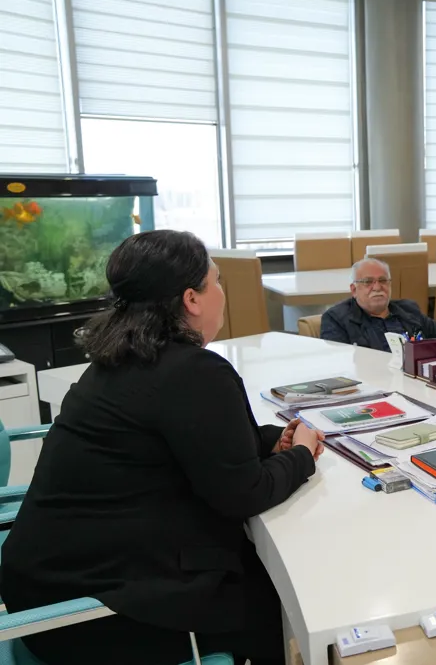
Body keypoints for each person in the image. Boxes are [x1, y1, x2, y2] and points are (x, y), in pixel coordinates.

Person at [0, 230, 324, 665]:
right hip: (88, 616)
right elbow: (244, 494)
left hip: (46, 585)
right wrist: (300, 455)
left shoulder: (121, 359)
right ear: (192, 299)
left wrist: (272, 441)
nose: (222, 292)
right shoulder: (194, 372)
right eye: (217, 281)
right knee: (273, 599)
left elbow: (194, 437)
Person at [320, 257, 436, 358]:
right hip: (374, 382)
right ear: (354, 290)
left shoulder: (408, 310)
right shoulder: (336, 319)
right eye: (368, 282)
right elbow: (340, 363)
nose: (377, 287)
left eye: (383, 280)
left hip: (420, 378)